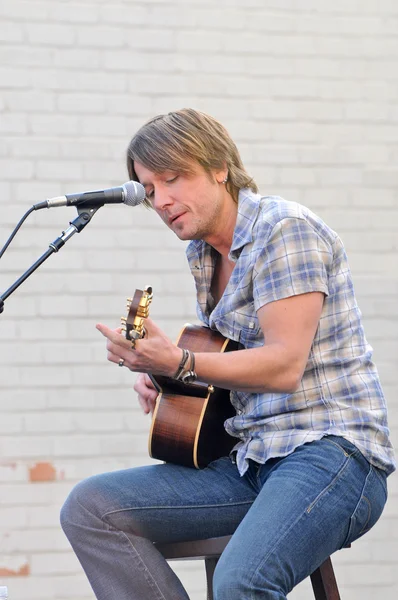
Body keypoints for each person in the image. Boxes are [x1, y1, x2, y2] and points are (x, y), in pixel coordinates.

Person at [60, 108, 395, 600]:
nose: (162, 200)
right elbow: (231, 364)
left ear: (219, 167)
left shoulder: (284, 230)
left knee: (241, 581)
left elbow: (282, 365)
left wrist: (178, 362)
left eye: (174, 178)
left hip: (331, 454)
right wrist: (166, 378)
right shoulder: (203, 253)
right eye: (150, 190)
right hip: (248, 462)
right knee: (91, 509)